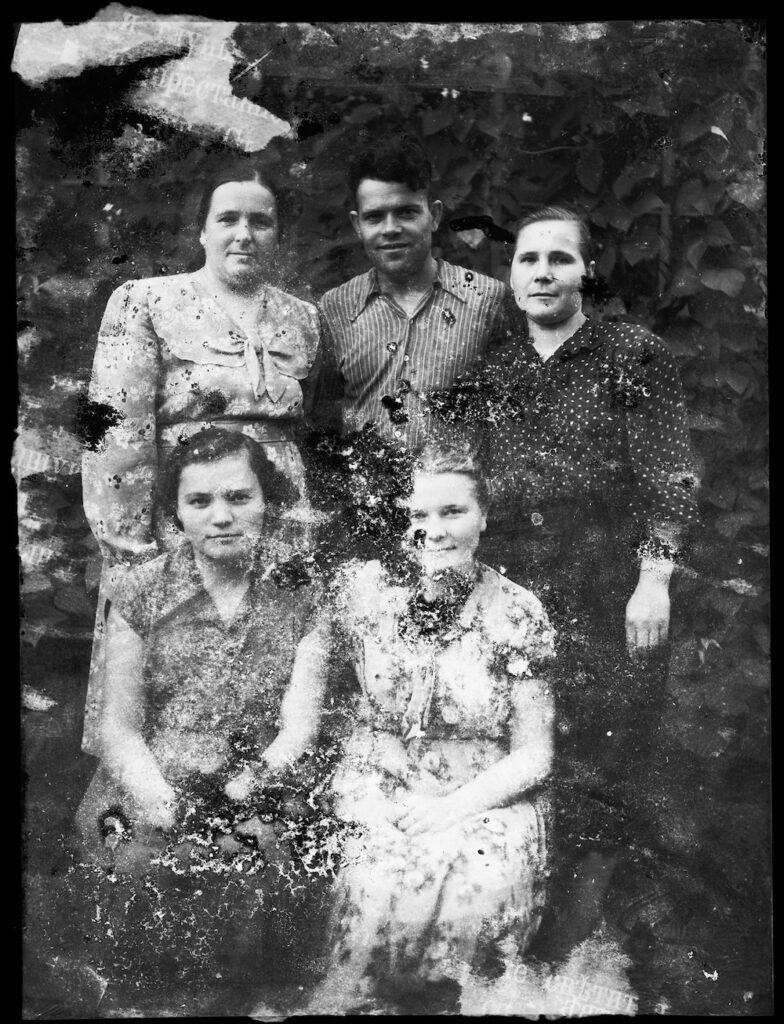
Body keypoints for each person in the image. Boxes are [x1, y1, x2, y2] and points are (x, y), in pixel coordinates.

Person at [426, 205, 699, 966]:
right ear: (511, 278)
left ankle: (571, 945)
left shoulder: (632, 355)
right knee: (517, 747)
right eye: (528, 260)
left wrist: (653, 579)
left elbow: (670, 479)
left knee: (602, 762)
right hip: (514, 588)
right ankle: (503, 927)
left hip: (606, 583)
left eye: (559, 259)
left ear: (586, 271)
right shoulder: (494, 370)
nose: (542, 272)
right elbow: (461, 483)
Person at [75, 429, 329, 1011]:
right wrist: (168, 805)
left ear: (268, 501)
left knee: (256, 871)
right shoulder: (139, 591)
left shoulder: (302, 592)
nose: (221, 517)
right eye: (199, 501)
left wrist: (245, 789)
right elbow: (119, 729)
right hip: (153, 779)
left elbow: (299, 727)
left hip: (257, 777)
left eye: (239, 497)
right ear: (176, 512)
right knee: (143, 870)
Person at [81, 157, 322, 756]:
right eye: (228, 219)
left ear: (278, 232)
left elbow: (304, 430)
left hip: (275, 517)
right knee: (167, 697)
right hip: (180, 517)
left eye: (260, 222)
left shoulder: (303, 318)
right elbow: (115, 436)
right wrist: (132, 552)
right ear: (202, 229)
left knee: (275, 676)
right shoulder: (146, 301)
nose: (244, 234)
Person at [307, 445, 556, 1014]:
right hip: (382, 778)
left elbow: (535, 754)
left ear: (483, 516)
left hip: (486, 793)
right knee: (378, 873)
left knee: (478, 879)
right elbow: (354, 716)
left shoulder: (517, 612)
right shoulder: (368, 598)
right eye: (419, 515)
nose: (434, 531)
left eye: (452, 512)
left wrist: (453, 808)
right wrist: (386, 789)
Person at [314, 134, 508, 449]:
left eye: (406, 212)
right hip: (368, 479)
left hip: (458, 479)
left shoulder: (487, 299)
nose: (390, 228)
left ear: (434, 215)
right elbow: (324, 418)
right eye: (375, 217)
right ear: (357, 225)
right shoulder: (334, 308)